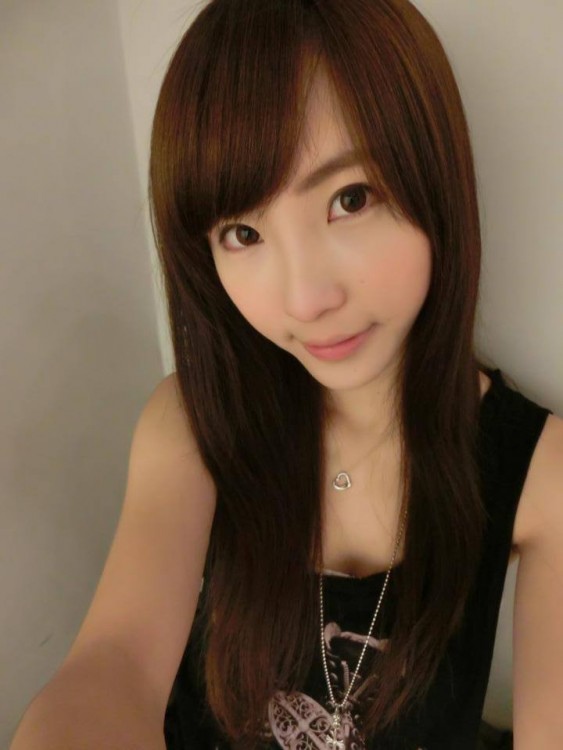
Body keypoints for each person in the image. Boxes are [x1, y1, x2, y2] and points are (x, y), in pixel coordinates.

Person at [10, 1, 563, 749]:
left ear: (435, 176)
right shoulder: (193, 425)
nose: (305, 300)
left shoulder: (541, 474)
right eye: (243, 233)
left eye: (349, 199)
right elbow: (117, 663)